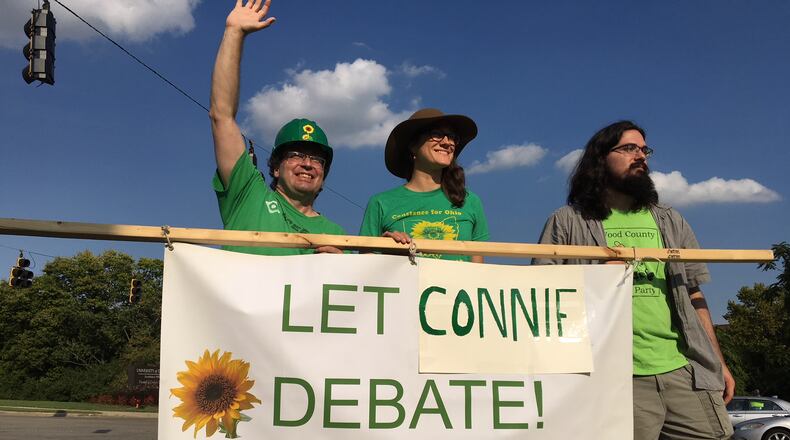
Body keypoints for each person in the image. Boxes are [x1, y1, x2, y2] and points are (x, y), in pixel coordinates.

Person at [532, 121, 734, 439]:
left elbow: (694, 295)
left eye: (644, 150)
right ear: (600, 158)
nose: (640, 156)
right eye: (628, 148)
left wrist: (717, 361)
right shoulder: (567, 222)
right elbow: (539, 296)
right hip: (614, 377)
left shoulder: (670, 220)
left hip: (683, 370)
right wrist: (597, 276)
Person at [209, 0, 343, 255]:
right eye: (295, 155)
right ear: (275, 168)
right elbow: (221, 116)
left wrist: (342, 267)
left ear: (323, 175)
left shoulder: (336, 235)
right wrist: (234, 33)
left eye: (317, 159)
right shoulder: (247, 195)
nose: (307, 164)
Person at [359, 108, 489, 262]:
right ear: (413, 146)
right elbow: (366, 267)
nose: (447, 142)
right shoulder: (380, 203)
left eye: (452, 137)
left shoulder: (470, 201)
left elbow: (479, 270)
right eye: (437, 134)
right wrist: (388, 251)